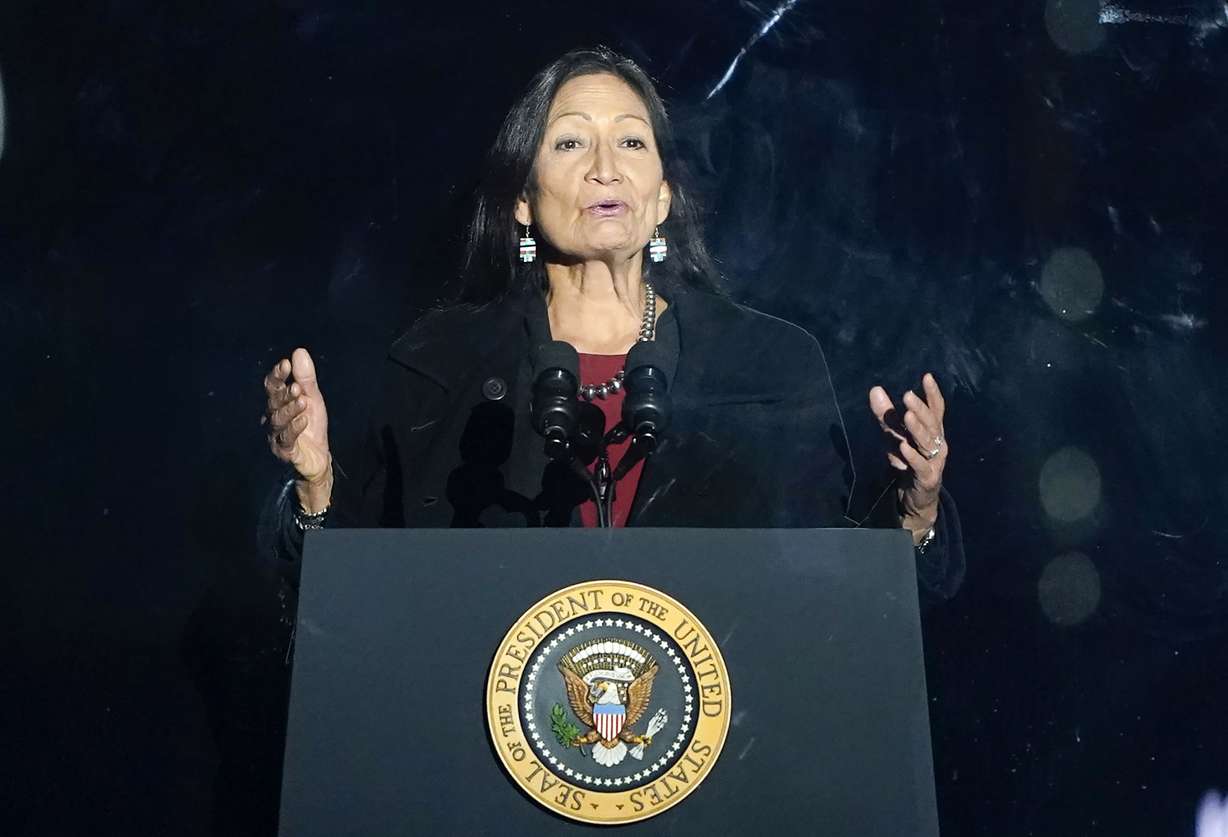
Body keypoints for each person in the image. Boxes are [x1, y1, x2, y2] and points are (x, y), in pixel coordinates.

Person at [259, 47, 963, 602]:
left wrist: (914, 509)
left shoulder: (770, 367)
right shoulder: (438, 364)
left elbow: (837, 594)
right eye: (570, 144)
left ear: (662, 198)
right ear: (522, 200)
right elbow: (360, 605)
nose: (605, 169)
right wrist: (315, 483)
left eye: (630, 143)